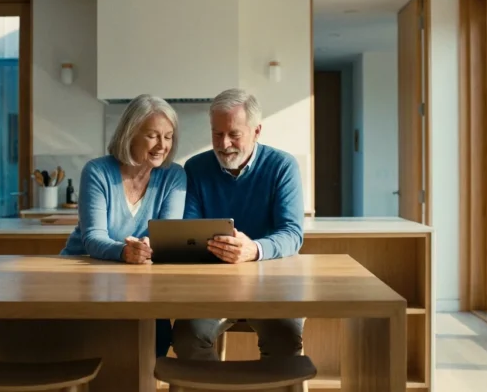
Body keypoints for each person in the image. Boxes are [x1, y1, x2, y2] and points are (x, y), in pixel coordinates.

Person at [171, 88, 305, 360]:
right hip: (212, 286)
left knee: (285, 339)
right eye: (217, 134)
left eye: (234, 134)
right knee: (187, 339)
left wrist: (253, 249)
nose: (224, 143)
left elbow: (292, 234)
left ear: (256, 131)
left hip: (271, 284)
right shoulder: (196, 168)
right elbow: (189, 230)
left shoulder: (282, 166)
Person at [59, 94, 187, 357]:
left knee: (158, 339)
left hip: (140, 279)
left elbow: (166, 235)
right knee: (90, 345)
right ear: (130, 134)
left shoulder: (174, 176)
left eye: (168, 136)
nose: (162, 145)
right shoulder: (97, 171)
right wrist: (124, 252)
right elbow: (93, 237)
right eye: (152, 135)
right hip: (85, 274)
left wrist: (153, 247)